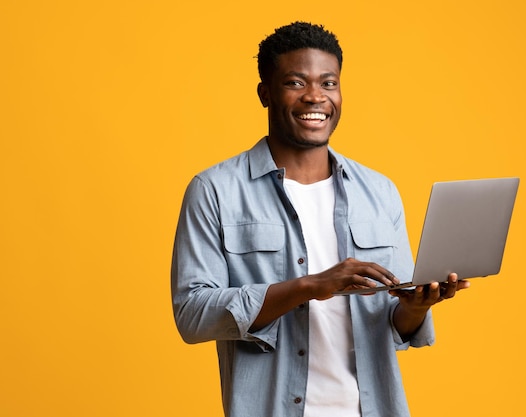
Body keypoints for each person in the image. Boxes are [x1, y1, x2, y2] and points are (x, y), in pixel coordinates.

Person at [171, 21, 469, 417]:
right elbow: (192, 314)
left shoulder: (379, 192)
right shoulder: (215, 191)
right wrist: (310, 285)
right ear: (265, 93)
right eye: (296, 83)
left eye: (328, 84)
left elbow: (394, 324)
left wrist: (417, 306)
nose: (315, 97)